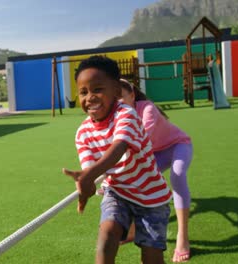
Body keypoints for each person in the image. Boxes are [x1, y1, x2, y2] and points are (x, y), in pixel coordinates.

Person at [62, 55, 172, 264]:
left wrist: (90, 174)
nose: (90, 97)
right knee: (107, 236)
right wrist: (86, 187)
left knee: (151, 255)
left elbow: (118, 148)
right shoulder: (83, 133)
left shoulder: (126, 114)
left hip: (151, 196)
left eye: (98, 89)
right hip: (117, 191)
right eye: (83, 92)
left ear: (115, 90)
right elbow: (91, 172)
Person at [119, 79, 192, 263]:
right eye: (113, 99)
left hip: (177, 145)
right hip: (153, 153)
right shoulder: (117, 116)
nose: (117, 102)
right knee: (133, 181)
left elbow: (143, 138)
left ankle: (183, 238)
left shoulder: (147, 108)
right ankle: (134, 228)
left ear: (132, 95)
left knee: (177, 176)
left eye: (121, 97)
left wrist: (118, 167)